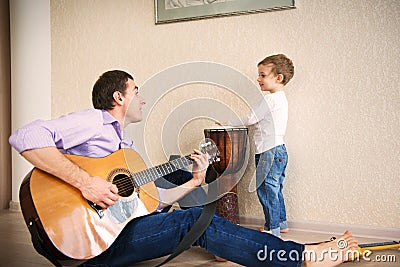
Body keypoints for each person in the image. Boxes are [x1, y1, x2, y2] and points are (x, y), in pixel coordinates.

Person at [9, 69, 357, 267]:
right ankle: (302, 259)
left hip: (103, 239)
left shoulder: (125, 151)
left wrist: (193, 182)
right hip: (78, 244)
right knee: (190, 221)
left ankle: (244, 243)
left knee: (173, 182)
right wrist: (86, 183)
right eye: (136, 90)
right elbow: (25, 136)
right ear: (118, 98)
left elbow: (149, 202)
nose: (142, 97)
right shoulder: (93, 122)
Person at [216, 54, 294, 238]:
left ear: (278, 78)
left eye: (263, 75)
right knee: (275, 188)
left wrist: (229, 123)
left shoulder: (270, 99)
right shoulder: (282, 99)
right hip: (280, 149)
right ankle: (281, 222)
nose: (258, 79)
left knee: (266, 190)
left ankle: (272, 228)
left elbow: (252, 118)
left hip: (268, 152)